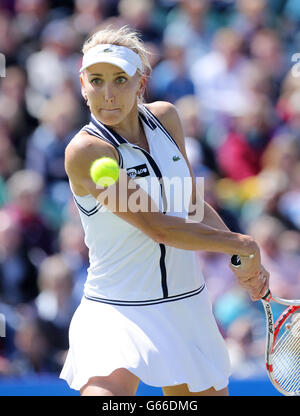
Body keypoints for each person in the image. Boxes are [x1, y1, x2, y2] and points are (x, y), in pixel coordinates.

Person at [59, 25, 269, 396]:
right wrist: (242, 245)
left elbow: (188, 204)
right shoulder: (86, 151)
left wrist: (238, 257)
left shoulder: (167, 118)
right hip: (117, 310)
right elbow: (159, 227)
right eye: (96, 81)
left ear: (140, 84)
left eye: (120, 80)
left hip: (185, 306)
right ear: (82, 84)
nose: (107, 94)